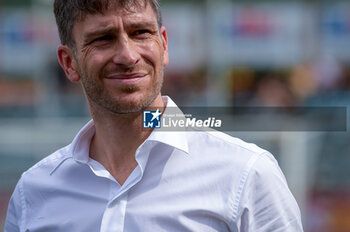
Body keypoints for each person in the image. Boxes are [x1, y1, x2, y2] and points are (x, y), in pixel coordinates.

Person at [4, 0, 304, 231]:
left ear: (164, 45)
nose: (128, 55)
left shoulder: (246, 173)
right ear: (69, 63)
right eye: (103, 39)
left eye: (140, 33)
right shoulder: (34, 191)